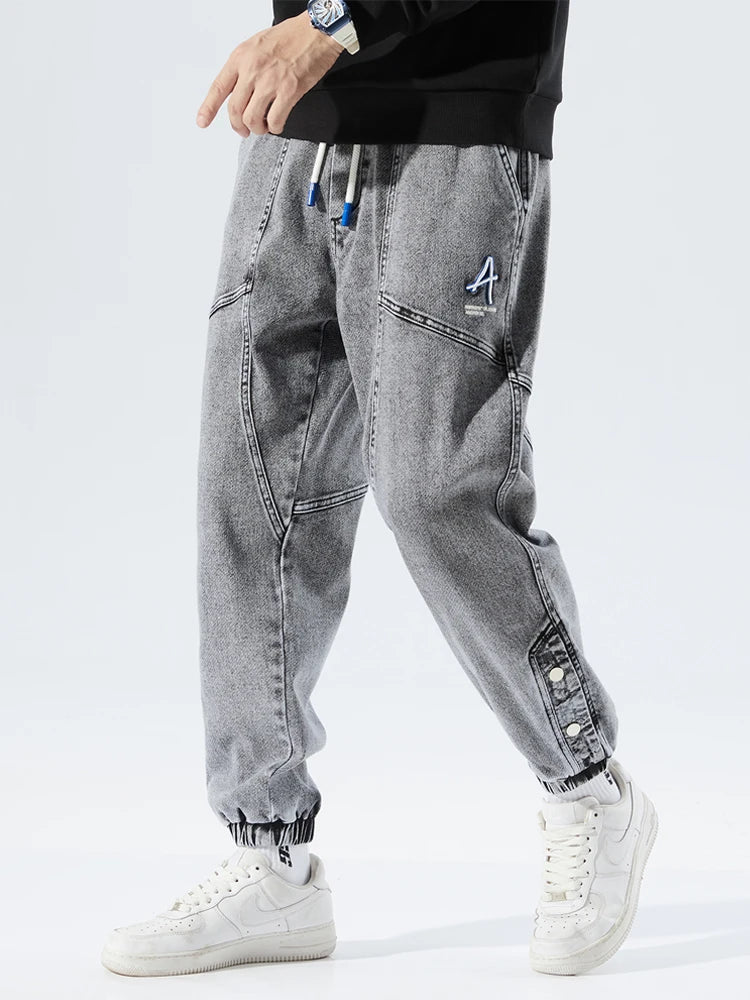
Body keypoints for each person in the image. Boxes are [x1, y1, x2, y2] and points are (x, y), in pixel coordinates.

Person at [101, 0, 658, 979]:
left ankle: (588, 785)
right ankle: (271, 856)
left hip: (455, 126)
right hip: (298, 126)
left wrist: (337, 20)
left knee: (436, 491)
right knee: (249, 490)